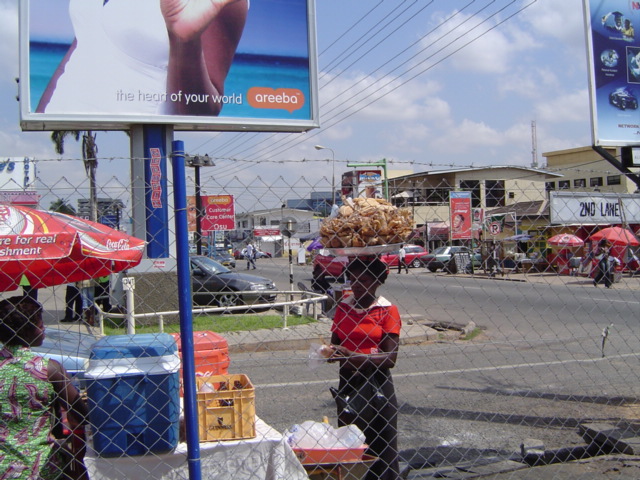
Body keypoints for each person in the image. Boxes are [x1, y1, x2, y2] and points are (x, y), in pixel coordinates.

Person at [36, 0, 248, 116]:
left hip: (136, 151)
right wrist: (38, 123)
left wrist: (184, 40)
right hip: (63, 140)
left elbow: (200, 110)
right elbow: (81, 47)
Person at [327, 257, 401, 480]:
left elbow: (390, 358)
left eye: (364, 279)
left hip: (377, 382)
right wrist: (330, 353)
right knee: (351, 440)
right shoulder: (343, 308)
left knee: (382, 441)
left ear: (377, 281)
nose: (357, 284)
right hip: (349, 381)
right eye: (353, 279)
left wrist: (353, 356)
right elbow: (335, 342)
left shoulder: (386, 311)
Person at [0, 295, 89, 480]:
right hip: (41, 468)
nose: (44, 328)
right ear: (28, 331)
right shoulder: (49, 369)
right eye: (41, 325)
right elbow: (82, 415)